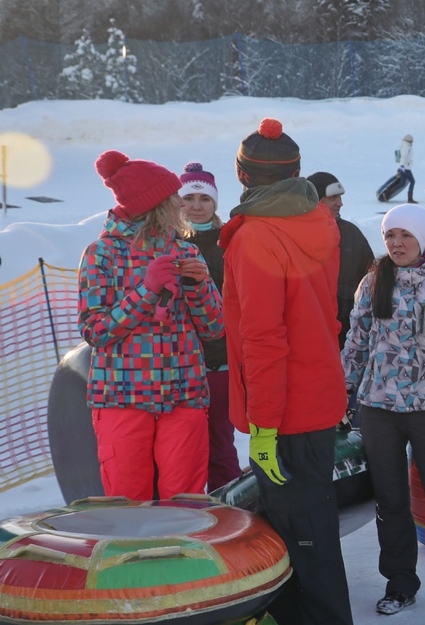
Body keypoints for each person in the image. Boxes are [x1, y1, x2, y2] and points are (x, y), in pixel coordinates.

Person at [221, 118, 353, 624]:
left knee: (304, 535)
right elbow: (326, 313)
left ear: (242, 174)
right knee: (313, 528)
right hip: (315, 394)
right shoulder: (318, 219)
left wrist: (265, 426)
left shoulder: (257, 237)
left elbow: (264, 339)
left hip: (287, 410)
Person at [342, 204, 425, 614]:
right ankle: (400, 583)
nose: (396, 243)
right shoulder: (373, 280)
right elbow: (357, 342)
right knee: (390, 499)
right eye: (390, 236)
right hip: (378, 407)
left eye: (405, 235)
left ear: (422, 238)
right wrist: (344, 392)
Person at [80, 150, 223, 501]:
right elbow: (96, 331)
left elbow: (215, 328)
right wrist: (146, 290)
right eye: (173, 197)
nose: (182, 204)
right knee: (129, 500)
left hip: (184, 394)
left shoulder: (186, 251)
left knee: (185, 501)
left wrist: (199, 288)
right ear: (153, 204)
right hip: (121, 396)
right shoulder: (102, 253)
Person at [179, 162, 240, 491]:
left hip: (219, 358)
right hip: (178, 363)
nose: (197, 206)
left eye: (204, 198)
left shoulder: (228, 241)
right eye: (189, 198)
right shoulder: (169, 242)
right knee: (184, 447)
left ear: (214, 203)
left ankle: (230, 510)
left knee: (219, 440)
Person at [308, 171, 374, 350]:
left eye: (340, 197)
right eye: (333, 198)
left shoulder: (351, 234)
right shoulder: (297, 235)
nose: (340, 203)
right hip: (307, 332)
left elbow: (372, 280)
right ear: (315, 199)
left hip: (347, 335)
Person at [394, 133, 417, 203]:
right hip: (406, 168)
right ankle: (410, 198)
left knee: (402, 183)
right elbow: (403, 157)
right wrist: (402, 167)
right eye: (411, 140)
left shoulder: (405, 145)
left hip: (404, 167)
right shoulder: (406, 146)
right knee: (412, 181)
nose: (412, 141)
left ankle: (388, 192)